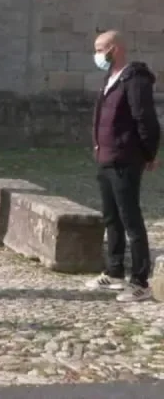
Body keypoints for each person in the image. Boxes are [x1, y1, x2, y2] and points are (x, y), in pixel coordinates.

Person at [85, 30, 160, 302]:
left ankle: (140, 280)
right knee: (110, 216)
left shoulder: (135, 79)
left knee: (131, 218)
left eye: (100, 48)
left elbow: (146, 119)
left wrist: (149, 154)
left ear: (115, 49)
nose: (96, 54)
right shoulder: (110, 78)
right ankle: (114, 270)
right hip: (105, 157)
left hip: (125, 158)